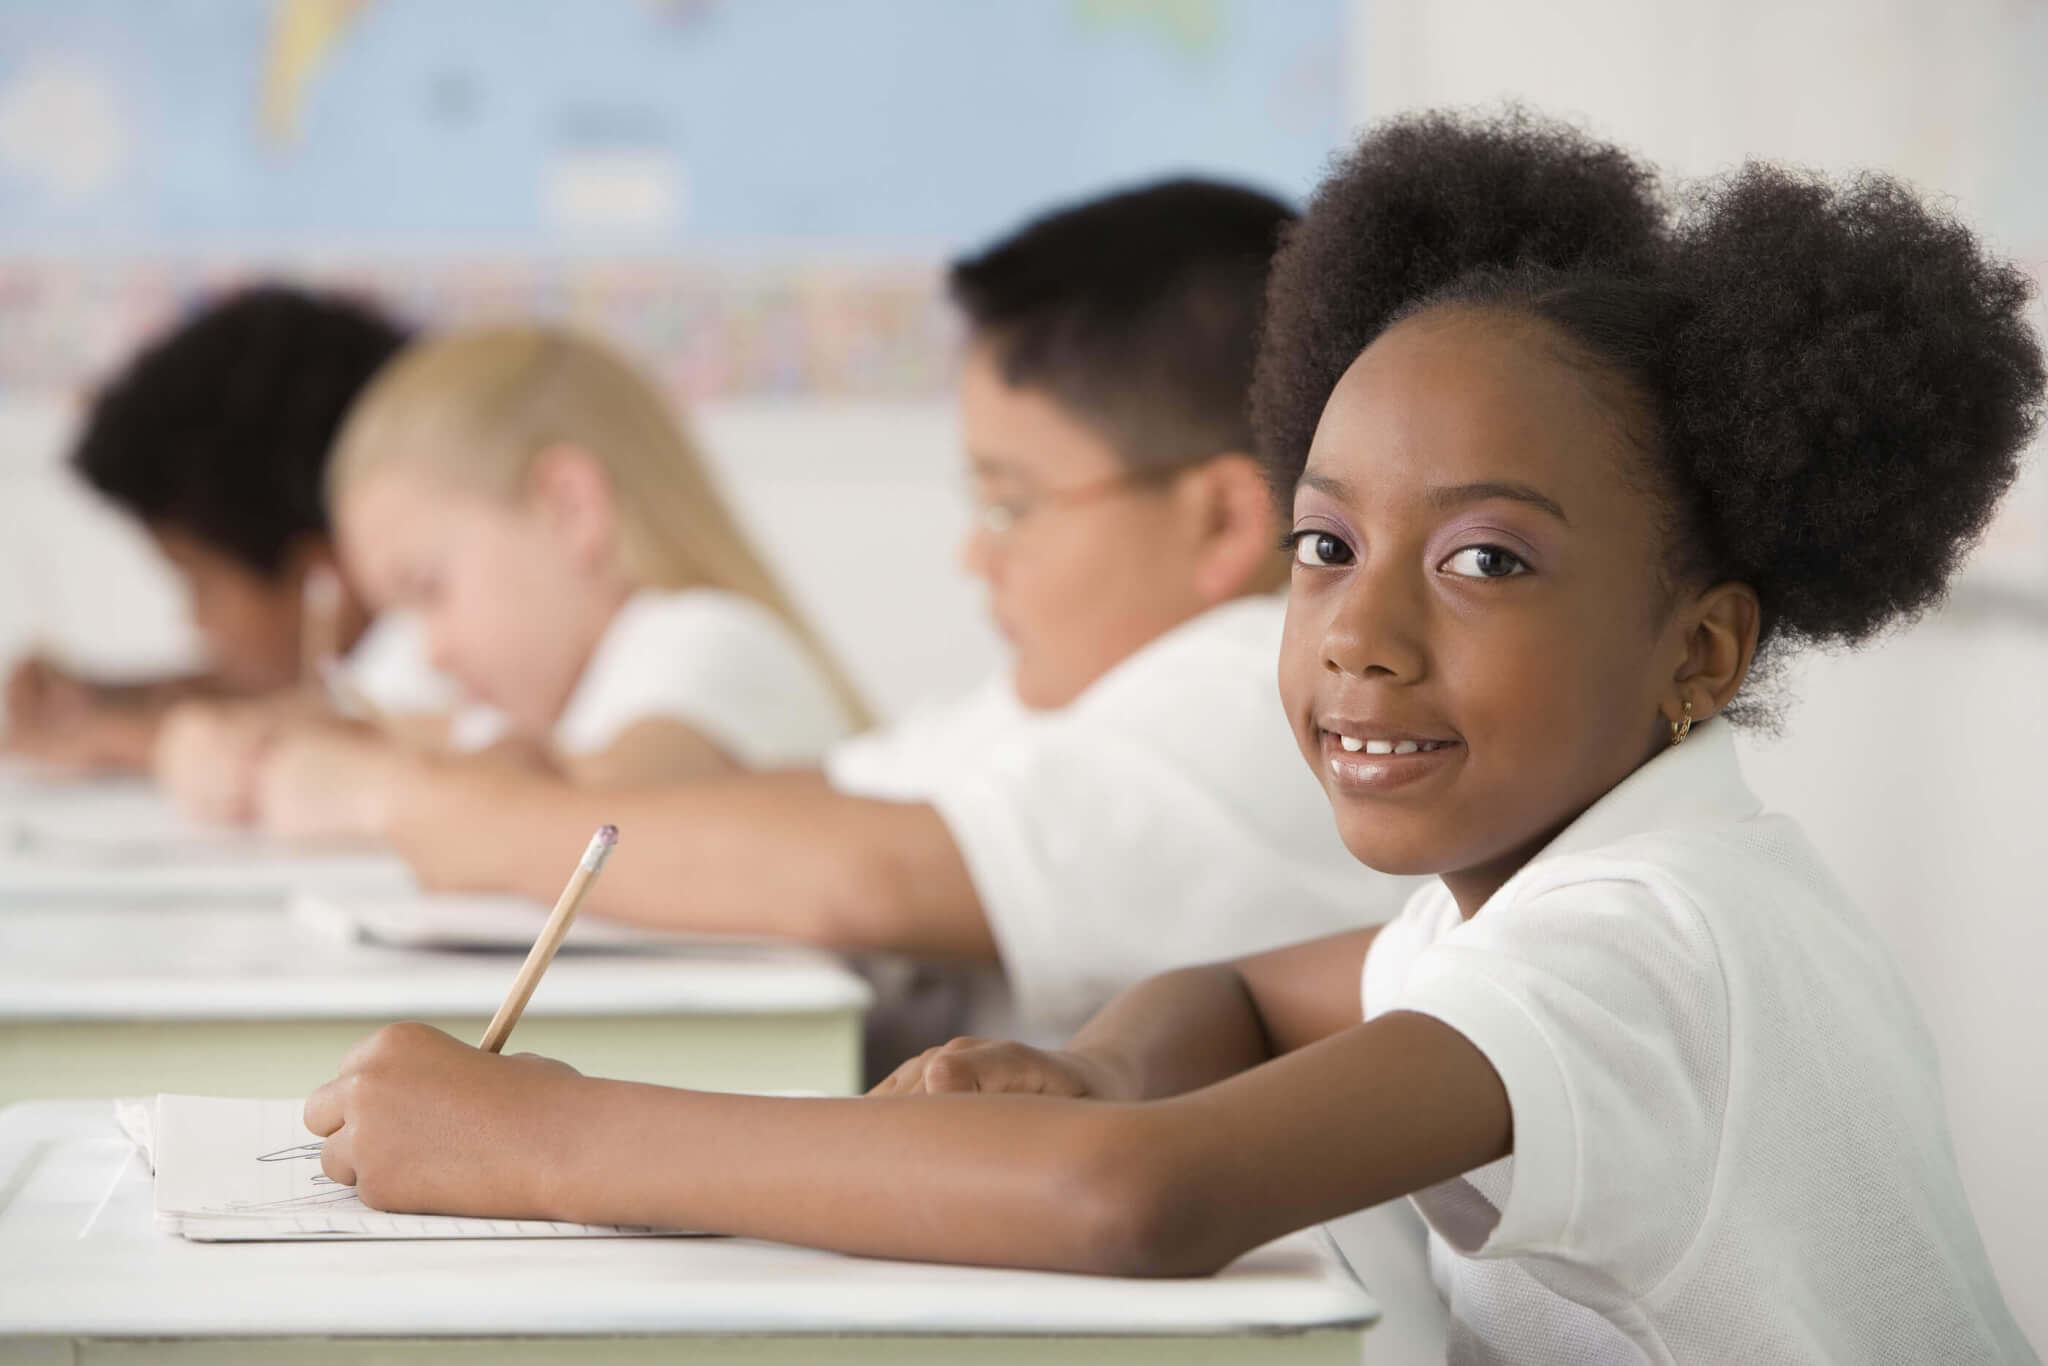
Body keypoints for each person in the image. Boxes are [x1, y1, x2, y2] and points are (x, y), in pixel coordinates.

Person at [307, 111, 2040, 1364]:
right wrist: (1107, 1060)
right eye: (1325, 546)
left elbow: (1133, 1205)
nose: (1358, 632)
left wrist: (542, 1139)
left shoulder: (1650, 943)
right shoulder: (1552, 882)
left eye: (1485, 561)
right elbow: (1229, 996)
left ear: (1699, 646)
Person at [260, 179, 1417, 1052]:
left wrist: (426, 807)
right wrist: (522, 796)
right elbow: (823, 802)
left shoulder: (1261, 692)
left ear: (1219, 524)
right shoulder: (1063, 707)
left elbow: (856, 874)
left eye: (1010, 503)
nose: (974, 553)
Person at [214, 326, 866, 833]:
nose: (431, 650)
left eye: (431, 589)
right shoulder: (574, 687)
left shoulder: (712, 642)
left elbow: (568, 821)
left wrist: (367, 791)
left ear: (570, 508)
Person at [2, 286, 413, 776]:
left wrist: (122, 740)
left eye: (198, 580)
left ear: (321, 577)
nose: (195, 621)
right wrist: (116, 698)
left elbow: (374, 740)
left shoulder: (450, 678)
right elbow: (305, 695)